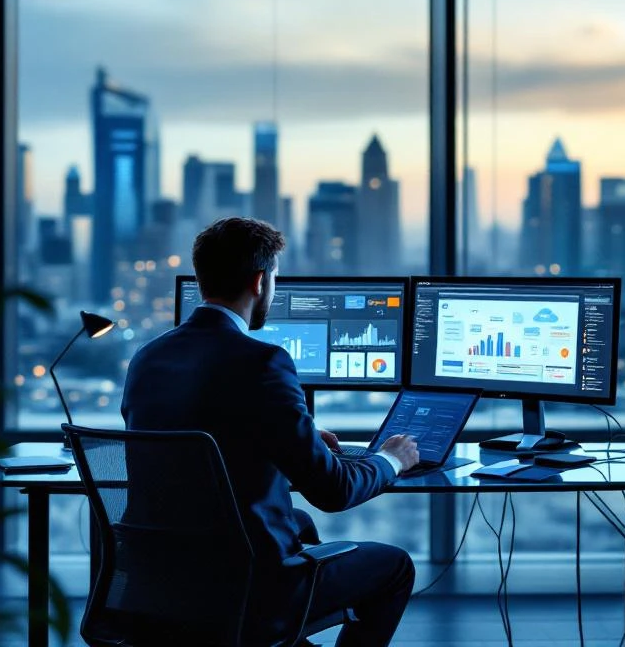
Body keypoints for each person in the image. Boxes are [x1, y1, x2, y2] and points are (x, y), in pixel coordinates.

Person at [121, 216, 419, 646]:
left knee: (297, 521)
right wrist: (392, 459)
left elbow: (200, 433)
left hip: (161, 583)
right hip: (241, 589)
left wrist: (298, 434)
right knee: (394, 567)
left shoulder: (146, 358)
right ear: (261, 282)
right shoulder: (263, 362)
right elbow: (333, 491)